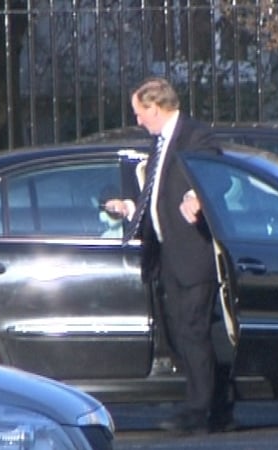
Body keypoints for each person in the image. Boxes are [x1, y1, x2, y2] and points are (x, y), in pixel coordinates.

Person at [103, 76, 235, 434]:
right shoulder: (159, 144)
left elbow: (218, 177)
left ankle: (199, 410)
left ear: (155, 107)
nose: (137, 121)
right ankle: (218, 406)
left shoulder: (195, 136)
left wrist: (196, 197)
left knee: (193, 331)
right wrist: (130, 208)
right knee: (182, 333)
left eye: (139, 113)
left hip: (193, 254)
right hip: (168, 255)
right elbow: (157, 196)